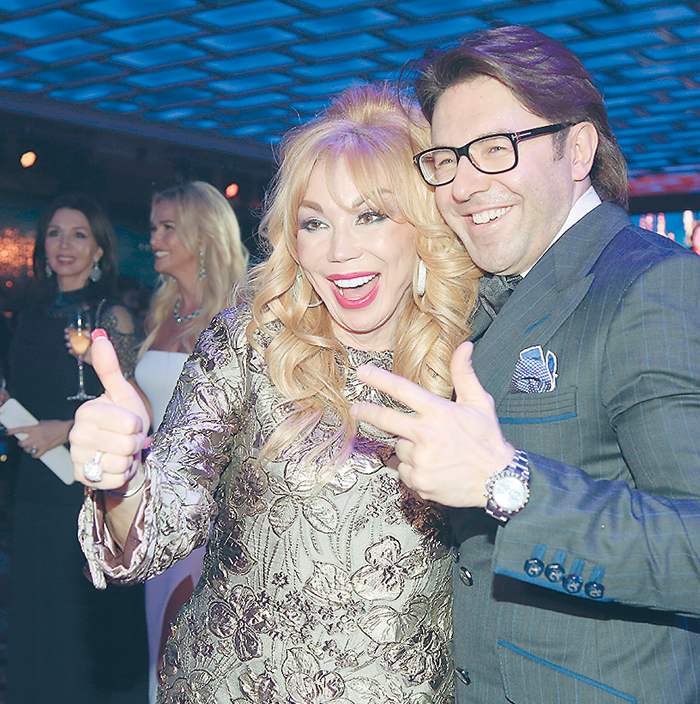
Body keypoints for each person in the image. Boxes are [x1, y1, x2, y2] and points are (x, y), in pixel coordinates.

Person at [68, 84, 479, 703]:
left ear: (424, 225)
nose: (340, 251)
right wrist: (120, 480)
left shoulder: (477, 355)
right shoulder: (250, 343)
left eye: (370, 215)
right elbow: (162, 527)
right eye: (315, 223)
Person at [351, 26, 700, 704]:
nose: (463, 185)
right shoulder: (485, 291)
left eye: (495, 149)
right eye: (447, 158)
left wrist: (505, 483)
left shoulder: (651, 286)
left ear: (578, 150)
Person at [4, 194, 148, 703]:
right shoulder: (28, 315)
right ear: (42, 247)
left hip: (85, 484)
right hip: (32, 482)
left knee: (76, 624)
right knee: (34, 616)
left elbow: (134, 410)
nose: (65, 245)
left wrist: (64, 429)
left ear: (100, 250)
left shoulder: (112, 316)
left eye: (79, 234)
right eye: (55, 233)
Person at [136, 181, 249, 703]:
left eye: (167, 228)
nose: (153, 239)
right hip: (158, 499)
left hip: (213, 506)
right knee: (160, 643)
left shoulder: (237, 314)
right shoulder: (162, 313)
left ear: (202, 237)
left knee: (202, 648)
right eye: (153, 227)